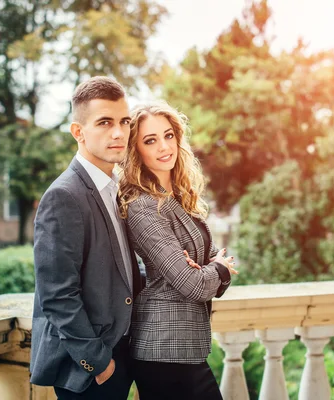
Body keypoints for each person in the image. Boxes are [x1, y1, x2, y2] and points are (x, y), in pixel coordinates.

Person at [30, 76, 143, 400]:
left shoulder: (114, 187)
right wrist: (98, 362)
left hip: (119, 355)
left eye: (125, 121)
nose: (119, 133)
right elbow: (57, 295)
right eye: (105, 122)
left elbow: (117, 270)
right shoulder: (64, 196)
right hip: (89, 371)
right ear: (78, 132)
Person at [118, 101, 238, 400]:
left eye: (168, 135)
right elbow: (192, 283)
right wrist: (219, 269)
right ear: (137, 150)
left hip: (184, 349)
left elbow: (199, 272)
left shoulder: (178, 197)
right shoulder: (143, 206)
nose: (163, 146)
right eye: (150, 140)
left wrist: (207, 270)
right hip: (162, 350)